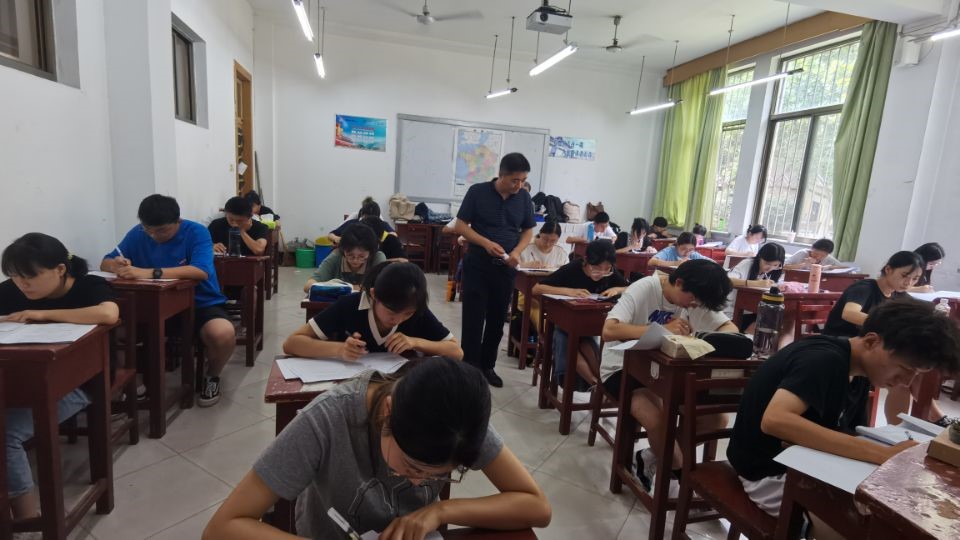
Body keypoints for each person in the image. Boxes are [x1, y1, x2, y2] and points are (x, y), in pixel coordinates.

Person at [203, 358, 552, 539]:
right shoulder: (326, 419)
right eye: (412, 467)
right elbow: (222, 528)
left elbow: (536, 507)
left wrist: (440, 512)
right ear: (387, 412)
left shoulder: (456, 420)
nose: (419, 483)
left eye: (440, 475)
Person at [727, 298, 960, 520]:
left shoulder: (859, 372)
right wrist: (881, 454)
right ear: (871, 342)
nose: (907, 382)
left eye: (916, 374)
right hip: (768, 473)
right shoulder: (823, 360)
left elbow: (849, 432)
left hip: (804, 465)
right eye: (906, 369)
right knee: (869, 522)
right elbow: (775, 420)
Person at [2, 233, 120, 520]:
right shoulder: (11, 291)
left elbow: (108, 314)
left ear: (60, 269)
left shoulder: (89, 286)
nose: (22, 284)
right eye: (14, 276)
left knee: (5, 433)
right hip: (23, 380)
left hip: (81, 382)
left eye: (30, 276)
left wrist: (42, 315)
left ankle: (27, 519)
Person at [602, 259, 737, 493]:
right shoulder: (646, 287)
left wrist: (699, 338)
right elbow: (609, 330)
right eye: (693, 300)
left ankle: (648, 457)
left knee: (717, 419)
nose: (694, 306)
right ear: (680, 282)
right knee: (658, 420)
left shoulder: (695, 297)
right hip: (622, 367)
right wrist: (661, 330)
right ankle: (686, 481)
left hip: (667, 374)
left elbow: (730, 330)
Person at [102, 194, 234, 407]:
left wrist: (148, 273)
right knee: (111, 331)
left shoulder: (196, 232)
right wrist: (116, 265)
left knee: (222, 333)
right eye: (149, 230)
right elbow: (105, 261)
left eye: (162, 230)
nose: (154, 236)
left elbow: (200, 270)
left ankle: (212, 376)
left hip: (200, 303)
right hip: (152, 306)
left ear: (178, 221)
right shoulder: (138, 233)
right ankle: (133, 385)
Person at [823, 251, 951, 427]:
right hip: (845, 342)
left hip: (874, 346)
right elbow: (849, 313)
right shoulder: (865, 288)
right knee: (901, 369)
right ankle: (937, 419)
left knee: (905, 375)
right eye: (904, 275)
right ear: (889, 269)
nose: (908, 282)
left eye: (915, 279)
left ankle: (898, 430)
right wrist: (889, 325)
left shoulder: (899, 296)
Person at [453, 152, 536, 387]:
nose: (519, 185)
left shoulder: (524, 198)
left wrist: (517, 252)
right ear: (501, 175)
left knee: (497, 320)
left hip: (505, 268)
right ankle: (470, 367)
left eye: (523, 180)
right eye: (515, 180)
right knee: (473, 318)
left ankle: (488, 365)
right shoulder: (477, 192)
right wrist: (485, 243)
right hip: (478, 265)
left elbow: (528, 231)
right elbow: (461, 226)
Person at [285, 262, 462, 361]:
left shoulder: (416, 310)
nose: (398, 320)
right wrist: (340, 349)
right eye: (392, 311)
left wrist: (415, 342)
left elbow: (456, 352)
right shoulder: (349, 306)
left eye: (407, 314)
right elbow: (291, 343)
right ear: (374, 294)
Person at [532, 240, 628, 391]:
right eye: (596, 268)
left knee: (582, 340)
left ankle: (601, 384)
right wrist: (568, 291)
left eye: (607, 269)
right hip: (562, 323)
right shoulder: (573, 269)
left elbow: (631, 287)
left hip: (587, 326)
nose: (602, 273)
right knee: (568, 339)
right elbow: (537, 289)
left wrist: (617, 289)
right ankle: (596, 384)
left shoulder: (609, 272)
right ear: (586, 261)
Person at [305, 223, 387, 292]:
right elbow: (308, 286)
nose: (355, 260)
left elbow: (383, 288)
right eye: (350, 255)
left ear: (371, 252)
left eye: (361, 256)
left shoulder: (377, 257)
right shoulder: (337, 256)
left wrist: (343, 288)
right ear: (343, 250)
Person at [727, 242, 785, 332]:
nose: (770, 268)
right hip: (734, 311)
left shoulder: (774, 272)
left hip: (754, 311)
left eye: (775, 265)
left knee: (781, 320)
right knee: (766, 323)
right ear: (760, 257)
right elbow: (728, 280)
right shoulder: (747, 264)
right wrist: (755, 283)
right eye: (767, 263)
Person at [329, 199, 396, 245]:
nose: (370, 221)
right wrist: (337, 239)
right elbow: (331, 234)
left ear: (378, 217)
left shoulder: (381, 224)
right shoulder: (353, 223)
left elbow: (394, 234)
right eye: (367, 218)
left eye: (373, 218)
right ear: (362, 215)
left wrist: (383, 240)